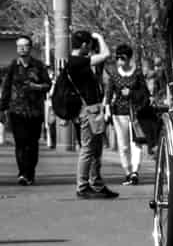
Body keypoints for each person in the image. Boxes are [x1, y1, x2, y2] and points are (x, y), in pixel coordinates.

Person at [58, 31, 115, 199]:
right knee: (88, 149)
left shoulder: (79, 62)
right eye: (89, 43)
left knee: (96, 149)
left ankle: (96, 183)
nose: (91, 47)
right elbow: (105, 55)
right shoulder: (76, 62)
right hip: (86, 112)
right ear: (84, 45)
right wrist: (99, 37)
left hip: (93, 110)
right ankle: (82, 186)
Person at [1, 33, 52, 185]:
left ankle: (30, 171)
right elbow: (6, 88)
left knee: (32, 143)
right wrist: (2, 108)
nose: (22, 48)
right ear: (17, 48)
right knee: (20, 143)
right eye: (19, 46)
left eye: (25, 45)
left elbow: (48, 85)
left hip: (35, 112)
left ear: (30, 47)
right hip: (16, 111)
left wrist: (36, 87)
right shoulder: (12, 66)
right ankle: (22, 173)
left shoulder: (39, 66)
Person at [105, 44, 152, 185]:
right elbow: (109, 93)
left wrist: (131, 93)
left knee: (136, 143)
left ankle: (135, 172)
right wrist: (107, 109)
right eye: (117, 58)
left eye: (123, 58)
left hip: (136, 113)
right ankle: (127, 171)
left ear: (129, 58)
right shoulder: (113, 74)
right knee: (123, 145)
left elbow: (145, 93)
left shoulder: (137, 73)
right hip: (119, 114)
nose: (120, 61)